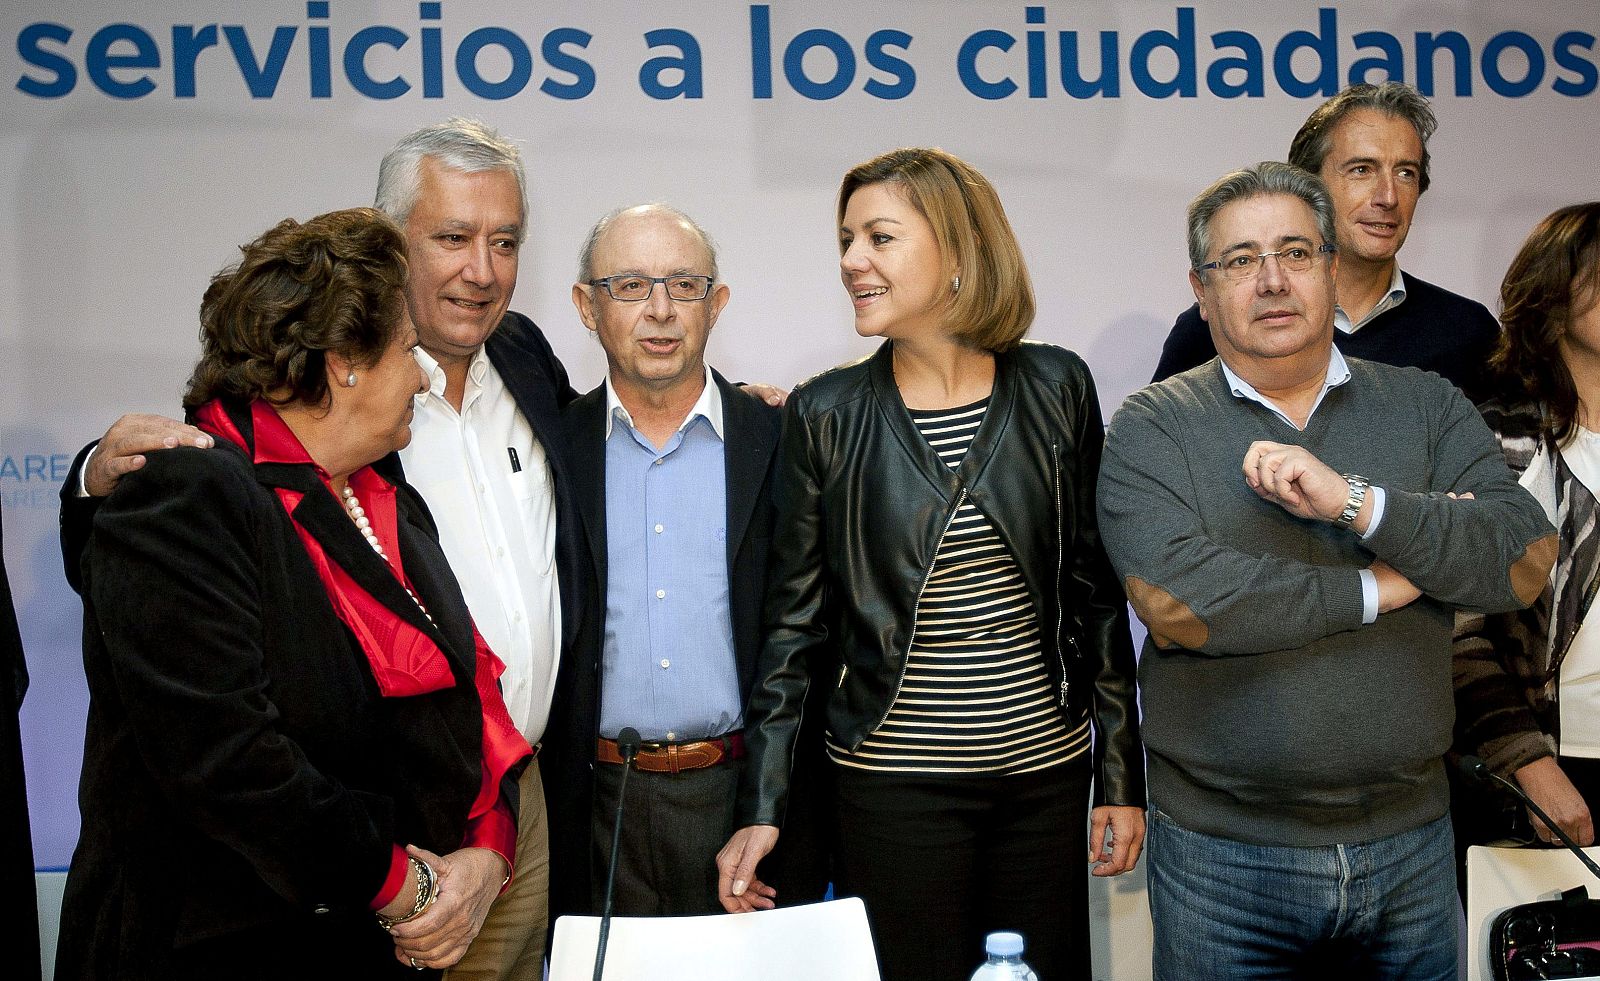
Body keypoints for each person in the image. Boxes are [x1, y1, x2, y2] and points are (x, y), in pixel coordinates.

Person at [60, 119, 580, 978]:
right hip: (223, 934)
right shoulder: (195, 485)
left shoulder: (386, 485)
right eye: (404, 350)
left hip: (414, 893)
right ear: (344, 362)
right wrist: (404, 884)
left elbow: (463, 678)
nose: (421, 371)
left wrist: (486, 843)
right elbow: (226, 756)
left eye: (504, 241)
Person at [1097, 161, 1555, 979]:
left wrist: (1360, 504)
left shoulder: (1425, 404)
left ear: (1333, 269)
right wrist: (1387, 582)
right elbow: (1181, 606)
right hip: (1222, 860)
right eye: (1241, 260)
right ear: (1201, 290)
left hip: (1412, 845)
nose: (1272, 280)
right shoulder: (1152, 426)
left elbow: (1521, 561)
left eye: (1296, 253)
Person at [718, 148, 1145, 981]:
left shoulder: (1058, 385)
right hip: (891, 792)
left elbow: (1095, 594)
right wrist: (764, 803)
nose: (852, 260)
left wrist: (1120, 775)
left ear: (957, 249)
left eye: (879, 237)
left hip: (1045, 784)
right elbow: (793, 632)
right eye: (846, 240)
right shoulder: (825, 411)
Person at [541, 204, 827, 919]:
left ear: (716, 303)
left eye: (684, 285)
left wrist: (772, 804)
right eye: (631, 285)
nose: (661, 310)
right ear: (587, 306)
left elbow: (810, 635)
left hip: (747, 798)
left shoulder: (779, 438)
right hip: (594, 800)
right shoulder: (550, 448)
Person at [1149, 82, 1498, 401]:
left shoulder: (1466, 331)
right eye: (1362, 170)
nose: (1388, 197)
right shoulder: (1220, 326)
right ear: (1308, 185)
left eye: (1406, 173)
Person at [1454, 202, 1600, 851]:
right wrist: (1528, 761)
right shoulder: (1498, 441)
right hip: (1555, 768)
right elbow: (1457, 627)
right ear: (1553, 298)